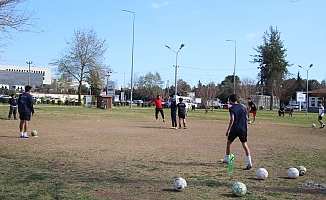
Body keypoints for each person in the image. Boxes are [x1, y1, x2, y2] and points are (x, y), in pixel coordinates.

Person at [223, 94, 252, 170]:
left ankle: (227, 158)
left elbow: (232, 119)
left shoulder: (232, 108)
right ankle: (249, 162)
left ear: (231, 100)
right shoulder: (243, 107)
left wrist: (228, 130)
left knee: (229, 142)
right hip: (243, 129)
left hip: (235, 129)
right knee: (245, 145)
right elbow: (246, 117)